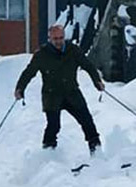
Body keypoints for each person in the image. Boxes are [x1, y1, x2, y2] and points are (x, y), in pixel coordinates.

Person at [14, 25, 106, 155]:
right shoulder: (41, 54)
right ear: (50, 38)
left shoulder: (73, 50)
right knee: (53, 126)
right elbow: (29, 72)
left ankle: (96, 153)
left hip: (72, 93)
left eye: (61, 38)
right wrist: (20, 88)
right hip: (51, 96)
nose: (58, 41)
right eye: (55, 38)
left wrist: (97, 81)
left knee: (87, 122)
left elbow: (88, 66)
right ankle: (47, 155)